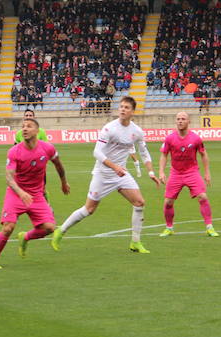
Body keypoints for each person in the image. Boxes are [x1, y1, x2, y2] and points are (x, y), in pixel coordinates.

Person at [52, 96, 161, 253]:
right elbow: (96, 152)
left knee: (139, 202)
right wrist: (114, 166)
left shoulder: (137, 132)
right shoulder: (109, 128)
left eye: (126, 107)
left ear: (133, 112)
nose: (123, 109)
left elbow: (144, 153)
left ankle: (135, 242)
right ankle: (60, 230)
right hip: (103, 174)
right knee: (89, 209)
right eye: (121, 106)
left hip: (121, 174)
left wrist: (150, 172)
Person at [0, 118, 70, 270]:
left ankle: (25, 237)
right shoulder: (14, 151)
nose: (24, 129)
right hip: (16, 193)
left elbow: (58, 164)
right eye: (23, 126)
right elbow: (8, 177)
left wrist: (63, 182)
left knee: (49, 227)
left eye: (29, 126)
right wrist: (20, 192)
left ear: (37, 131)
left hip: (36, 195)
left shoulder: (47, 148)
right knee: (8, 227)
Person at [157, 112, 219, 238]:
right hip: (175, 173)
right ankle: (169, 228)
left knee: (202, 196)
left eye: (183, 119)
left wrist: (207, 173)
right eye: (178, 119)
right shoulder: (170, 138)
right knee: (168, 201)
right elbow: (164, 155)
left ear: (188, 121)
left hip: (192, 172)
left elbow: (203, 154)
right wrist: (161, 172)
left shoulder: (196, 138)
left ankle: (209, 227)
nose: (180, 121)